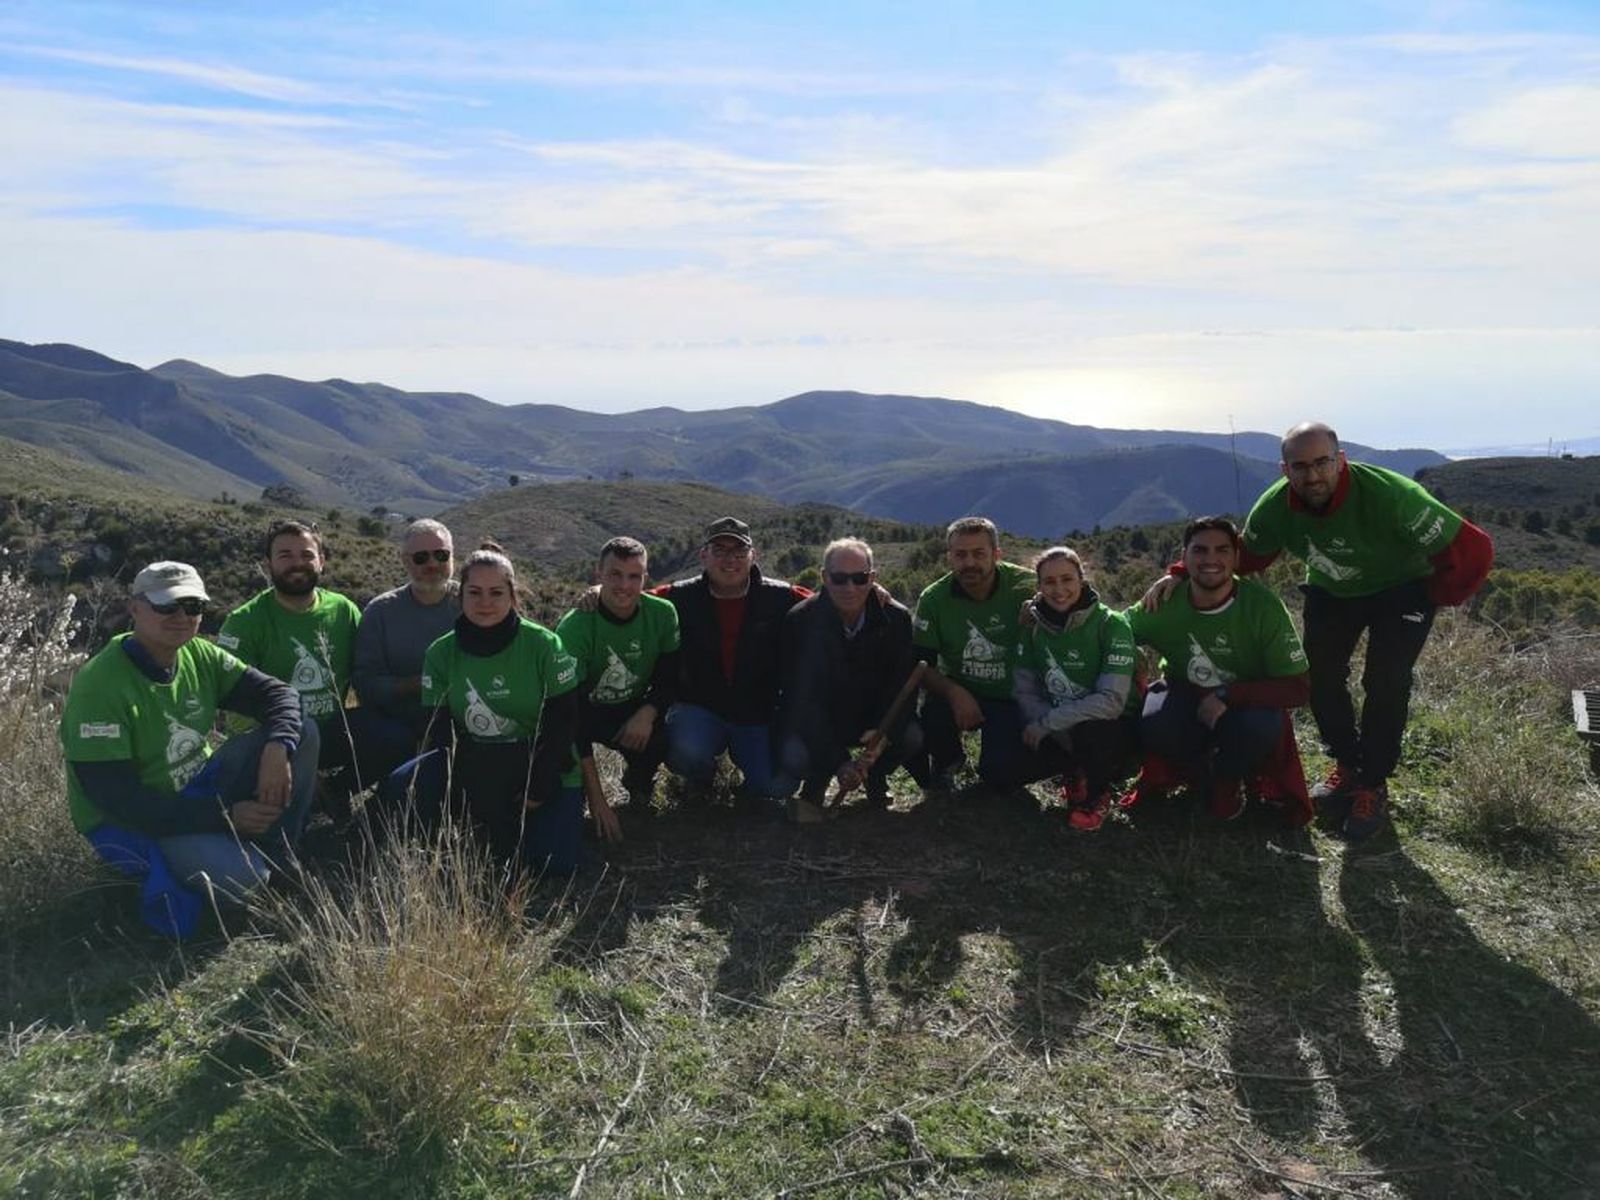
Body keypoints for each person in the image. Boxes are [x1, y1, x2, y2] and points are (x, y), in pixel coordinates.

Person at [1144, 423, 1493, 840]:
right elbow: (1242, 556)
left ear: (1340, 460)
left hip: (1403, 589)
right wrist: (1183, 574)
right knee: (1321, 678)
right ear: (1284, 469)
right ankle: (1347, 765)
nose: (1312, 476)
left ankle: (1372, 785)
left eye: (1322, 463)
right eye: (1300, 466)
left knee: (1386, 679)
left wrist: (1433, 594)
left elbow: (1474, 548)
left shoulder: (1391, 495)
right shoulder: (1275, 508)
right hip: (1334, 590)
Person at [59, 561, 318, 935]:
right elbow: (117, 800)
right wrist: (226, 816)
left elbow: (279, 695)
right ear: (135, 608)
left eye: (193, 606)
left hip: (199, 785)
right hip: (137, 821)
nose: (181, 616)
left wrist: (278, 747)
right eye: (166, 606)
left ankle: (280, 850)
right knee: (248, 879)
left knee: (302, 732)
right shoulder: (100, 686)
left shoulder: (199, 653)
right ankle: (235, 858)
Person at [385, 542, 602, 873]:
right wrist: (459, 796)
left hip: (540, 761)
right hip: (477, 760)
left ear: (512, 595)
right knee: (405, 783)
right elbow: (437, 732)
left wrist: (539, 785)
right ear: (460, 597)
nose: (485, 602)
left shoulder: (544, 644)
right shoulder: (441, 653)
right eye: (475, 592)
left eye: (496, 593)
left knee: (552, 866)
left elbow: (564, 721)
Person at [1127, 517, 1311, 822]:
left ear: (1237, 557)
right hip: (1185, 692)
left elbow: (1298, 688)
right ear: (1183, 557)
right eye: (1199, 550)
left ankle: (1229, 779)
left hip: (1245, 704)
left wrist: (1227, 694)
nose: (1211, 559)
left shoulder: (1262, 607)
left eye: (1222, 550)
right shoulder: (1165, 601)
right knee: (1155, 720)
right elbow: (1112, 633)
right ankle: (1199, 774)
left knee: (1260, 724)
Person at [655, 516, 806, 809]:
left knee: (779, 786)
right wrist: (598, 593)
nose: (730, 560)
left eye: (738, 552)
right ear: (703, 555)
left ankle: (749, 787)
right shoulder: (677, 597)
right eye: (720, 551)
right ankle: (702, 777)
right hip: (699, 708)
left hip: (756, 713)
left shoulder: (782, 597)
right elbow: (631, 601)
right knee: (686, 752)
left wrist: (871, 592)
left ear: (753, 556)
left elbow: (830, 602)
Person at [218, 519, 364, 810]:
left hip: (331, 733)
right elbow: (235, 708)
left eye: (307, 555)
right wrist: (283, 748)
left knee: (390, 731)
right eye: (285, 555)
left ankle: (342, 795)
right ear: (267, 563)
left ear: (321, 562)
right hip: (272, 741)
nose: (298, 564)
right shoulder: (244, 622)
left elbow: (365, 674)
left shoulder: (343, 610)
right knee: (302, 728)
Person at [777, 538, 923, 822]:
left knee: (911, 736)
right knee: (794, 754)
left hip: (872, 721)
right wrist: (839, 760)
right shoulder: (800, 621)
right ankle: (817, 781)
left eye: (860, 578)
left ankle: (875, 776)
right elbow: (802, 701)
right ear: (823, 577)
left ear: (873, 578)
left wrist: (883, 734)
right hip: (823, 721)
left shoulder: (897, 619)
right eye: (839, 578)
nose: (850, 588)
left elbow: (902, 687)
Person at [1013, 547, 1140, 831]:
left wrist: (1048, 723)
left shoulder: (1111, 624)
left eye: (1067, 579)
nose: (1059, 589)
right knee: (1004, 765)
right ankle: (1073, 772)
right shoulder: (1032, 625)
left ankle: (1097, 794)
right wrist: (1045, 723)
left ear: (1082, 580)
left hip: (1111, 726)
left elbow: (1111, 701)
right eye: (1049, 582)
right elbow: (1025, 690)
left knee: (1093, 730)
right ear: (1039, 586)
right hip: (1055, 722)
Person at [555, 536, 680, 826]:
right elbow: (570, 712)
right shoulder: (575, 626)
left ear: (645, 577)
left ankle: (638, 783)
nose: (624, 585)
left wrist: (647, 713)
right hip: (585, 711)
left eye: (634, 576)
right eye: (615, 574)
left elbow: (669, 677)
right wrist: (597, 796)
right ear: (598, 573)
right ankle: (578, 794)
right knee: (563, 751)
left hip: (633, 708)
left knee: (665, 738)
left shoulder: (662, 614)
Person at [912, 516, 1040, 791]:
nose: (969, 563)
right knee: (933, 715)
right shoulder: (933, 599)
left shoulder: (1028, 586)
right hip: (963, 691)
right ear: (949, 557)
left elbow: (1081, 606)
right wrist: (954, 693)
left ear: (996, 554)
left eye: (979, 554)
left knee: (1000, 775)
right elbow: (923, 665)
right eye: (960, 555)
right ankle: (949, 760)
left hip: (1013, 698)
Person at [352, 518, 461, 784]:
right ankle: (341, 793)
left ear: (453, 557)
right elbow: (365, 684)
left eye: (441, 555)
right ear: (404, 560)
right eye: (421, 557)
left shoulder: (472, 602)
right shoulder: (381, 611)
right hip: (397, 723)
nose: (432, 564)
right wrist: (415, 685)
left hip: (462, 721)